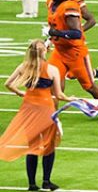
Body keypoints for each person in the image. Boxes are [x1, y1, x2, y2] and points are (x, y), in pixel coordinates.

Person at [0, 40, 72, 191]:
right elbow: (59, 94)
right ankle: (46, 181)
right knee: (49, 145)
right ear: (45, 51)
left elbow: (8, 83)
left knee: (32, 146)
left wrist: (20, 93)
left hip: (29, 109)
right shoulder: (52, 69)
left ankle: (32, 184)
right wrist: (71, 99)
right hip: (46, 110)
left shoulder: (25, 67)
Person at [44, 0, 98, 102]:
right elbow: (55, 25)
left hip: (75, 53)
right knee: (53, 83)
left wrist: (55, 33)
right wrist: (49, 40)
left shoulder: (70, 6)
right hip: (59, 50)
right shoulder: (51, 1)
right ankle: (52, 117)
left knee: (89, 87)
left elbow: (77, 33)